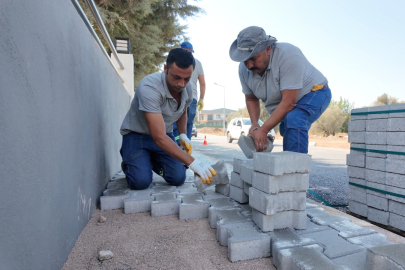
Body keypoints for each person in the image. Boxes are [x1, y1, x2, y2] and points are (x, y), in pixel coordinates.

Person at [119, 48, 215, 190]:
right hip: (137, 136)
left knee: (178, 178)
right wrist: (193, 163)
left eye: (186, 79)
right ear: (165, 69)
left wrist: (182, 135)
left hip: (165, 136)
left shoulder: (187, 89)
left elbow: (183, 110)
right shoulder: (149, 87)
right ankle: (133, 162)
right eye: (176, 77)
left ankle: (146, 161)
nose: (181, 84)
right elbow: (158, 137)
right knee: (140, 182)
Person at [229, 26, 331, 154]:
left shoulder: (288, 55)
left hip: (315, 92)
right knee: (287, 127)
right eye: (245, 60)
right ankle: (284, 169)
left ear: (267, 49)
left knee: (294, 120)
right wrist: (255, 124)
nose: (249, 65)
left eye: (253, 59)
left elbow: (288, 103)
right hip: (288, 101)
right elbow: (251, 98)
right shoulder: (244, 69)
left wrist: (264, 129)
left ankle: (294, 171)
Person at [173, 41, 205, 145]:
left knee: (175, 125)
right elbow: (202, 83)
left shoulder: (175, 60)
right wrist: (201, 99)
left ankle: (175, 150)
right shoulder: (197, 63)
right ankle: (186, 152)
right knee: (188, 126)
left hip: (177, 95)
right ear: (191, 51)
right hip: (192, 98)